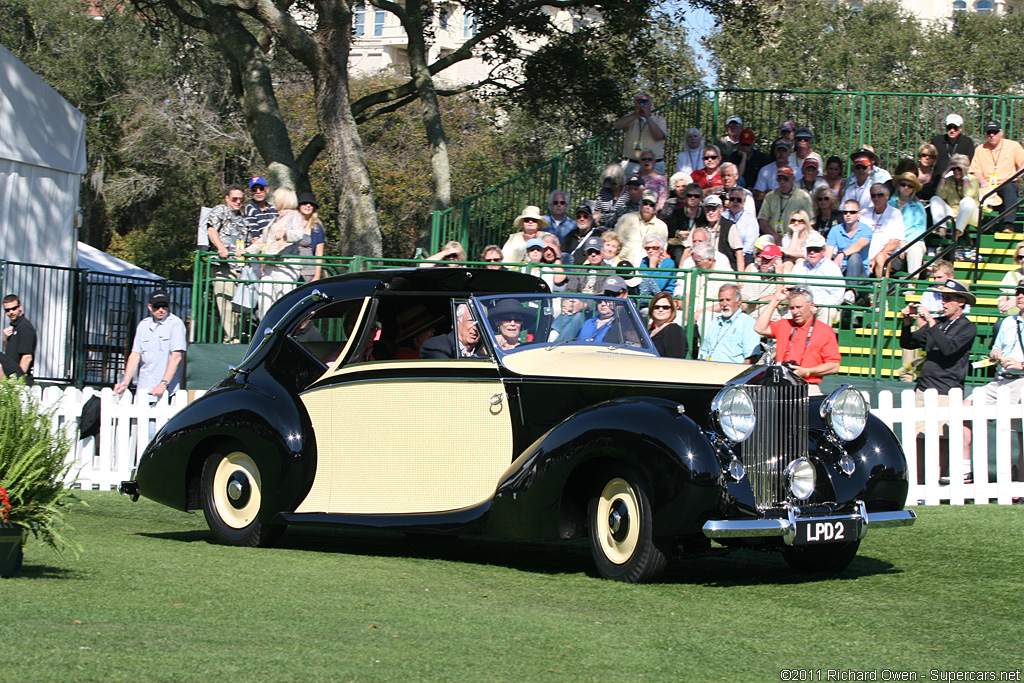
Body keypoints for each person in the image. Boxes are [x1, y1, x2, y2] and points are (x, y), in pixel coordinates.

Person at [899, 279, 977, 481]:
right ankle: (918, 482)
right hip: (924, 388)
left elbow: (949, 349)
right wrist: (907, 323)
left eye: (948, 298)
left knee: (940, 440)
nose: (943, 302)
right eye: (942, 298)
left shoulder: (967, 327)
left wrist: (932, 323)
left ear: (961, 302)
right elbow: (908, 343)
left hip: (946, 389)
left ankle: (936, 483)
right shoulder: (939, 323)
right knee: (918, 439)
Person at [963, 283, 1024, 483]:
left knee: (1021, 436)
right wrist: (995, 353)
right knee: (965, 409)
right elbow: (996, 348)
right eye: (1019, 293)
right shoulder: (1008, 321)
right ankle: (965, 469)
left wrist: (1020, 364)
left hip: (1020, 380)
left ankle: (1021, 484)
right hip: (999, 380)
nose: (1021, 296)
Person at [754, 286, 841, 393]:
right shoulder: (784, 324)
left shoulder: (825, 331)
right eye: (792, 308)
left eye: (799, 307)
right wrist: (776, 299)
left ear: (811, 306)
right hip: (779, 384)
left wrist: (807, 371)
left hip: (807, 385)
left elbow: (834, 366)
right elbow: (759, 328)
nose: (795, 312)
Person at [114, 290, 187, 402]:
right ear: (149, 307)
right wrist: (125, 382)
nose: (161, 310)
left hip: (167, 392)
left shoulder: (176, 324)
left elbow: (176, 356)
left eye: (164, 306)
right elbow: (135, 355)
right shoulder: (143, 325)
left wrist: (163, 384)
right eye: (157, 306)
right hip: (144, 388)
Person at [247, 187, 304, 317]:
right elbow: (263, 240)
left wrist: (285, 233)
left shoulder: (294, 216)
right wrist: (247, 251)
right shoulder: (275, 219)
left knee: (283, 303)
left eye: (275, 198)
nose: (273, 201)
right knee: (264, 304)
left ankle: (282, 334)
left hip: (285, 267)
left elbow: (299, 234)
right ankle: (266, 334)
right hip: (269, 267)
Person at [205, 184, 249, 343]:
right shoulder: (220, 211)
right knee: (226, 304)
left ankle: (237, 338)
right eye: (234, 198)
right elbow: (211, 230)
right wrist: (220, 247)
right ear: (227, 199)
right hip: (223, 266)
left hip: (240, 268)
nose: (238, 202)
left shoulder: (243, 218)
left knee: (239, 307)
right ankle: (231, 340)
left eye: (241, 199)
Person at [970, 119, 1024, 232]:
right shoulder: (980, 149)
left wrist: (1014, 176)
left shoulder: (1013, 146)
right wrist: (982, 182)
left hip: (1007, 183)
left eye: (995, 132)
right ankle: (980, 228)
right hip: (986, 187)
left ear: (1001, 132)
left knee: (1010, 188)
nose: (992, 135)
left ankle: (1008, 225)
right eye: (989, 132)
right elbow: (975, 170)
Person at [699, 284, 761, 363]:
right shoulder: (715, 322)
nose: (724, 304)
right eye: (721, 300)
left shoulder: (748, 323)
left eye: (728, 300)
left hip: (734, 372)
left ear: (739, 302)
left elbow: (750, 358)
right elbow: (706, 353)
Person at [790, 231, 844, 321]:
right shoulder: (798, 267)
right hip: (801, 305)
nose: (812, 252)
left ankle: (822, 335)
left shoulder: (832, 267)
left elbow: (839, 292)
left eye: (816, 249)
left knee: (827, 311)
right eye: (809, 249)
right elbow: (792, 289)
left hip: (824, 306)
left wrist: (823, 305)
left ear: (823, 251)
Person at [614, 92, 667, 175]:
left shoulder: (659, 119)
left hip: (653, 164)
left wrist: (647, 117)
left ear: (650, 105)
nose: (642, 103)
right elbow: (617, 125)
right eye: (639, 101)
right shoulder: (630, 118)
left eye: (645, 101)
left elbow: (658, 136)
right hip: (631, 164)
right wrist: (636, 114)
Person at [931, 153, 981, 240]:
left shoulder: (973, 179)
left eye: (959, 169)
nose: (956, 171)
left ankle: (956, 232)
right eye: (954, 169)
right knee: (935, 199)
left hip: (971, 215)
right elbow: (940, 195)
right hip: (954, 214)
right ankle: (942, 228)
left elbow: (968, 194)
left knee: (967, 200)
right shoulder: (949, 180)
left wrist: (965, 177)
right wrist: (943, 176)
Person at [616, 189, 668, 266]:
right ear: (640, 205)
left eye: (651, 205)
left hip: (647, 266)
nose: (648, 207)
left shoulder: (661, 226)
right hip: (623, 263)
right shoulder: (625, 219)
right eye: (645, 203)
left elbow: (662, 250)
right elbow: (615, 242)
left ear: (655, 208)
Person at [757, 166, 812, 239]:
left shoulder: (803, 197)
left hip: (795, 236)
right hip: (772, 236)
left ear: (793, 179)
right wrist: (775, 237)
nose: (782, 182)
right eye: (779, 179)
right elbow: (762, 220)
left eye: (785, 179)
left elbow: (808, 222)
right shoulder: (770, 196)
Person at [862, 183, 904, 278]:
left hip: (889, 257)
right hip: (866, 255)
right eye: (873, 195)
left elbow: (894, 243)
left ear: (887, 196)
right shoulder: (864, 213)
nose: (876, 198)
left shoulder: (895, 213)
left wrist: (874, 259)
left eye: (880, 195)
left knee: (881, 257)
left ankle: (882, 290)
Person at [890, 172, 927, 275]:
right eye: (903, 184)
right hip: (893, 240)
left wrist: (906, 243)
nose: (906, 188)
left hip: (912, 241)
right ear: (898, 186)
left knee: (916, 248)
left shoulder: (918, 207)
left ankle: (911, 285)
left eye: (910, 186)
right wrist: (898, 242)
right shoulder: (889, 204)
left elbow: (920, 230)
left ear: (913, 189)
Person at [420, 303, 487, 359]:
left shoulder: (487, 348)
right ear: (457, 322)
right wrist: (477, 356)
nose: (475, 328)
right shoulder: (435, 346)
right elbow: (451, 373)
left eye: (481, 323)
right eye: (471, 321)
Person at [826, 200, 872, 281]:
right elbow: (828, 254)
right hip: (840, 268)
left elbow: (858, 246)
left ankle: (851, 291)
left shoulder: (866, 230)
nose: (848, 215)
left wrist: (842, 254)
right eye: (845, 212)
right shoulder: (835, 230)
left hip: (860, 273)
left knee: (854, 257)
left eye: (852, 212)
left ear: (859, 214)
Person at [742, 242, 785, 321]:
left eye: (768, 259)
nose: (764, 262)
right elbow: (744, 306)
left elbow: (781, 306)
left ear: (778, 262)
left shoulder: (788, 279)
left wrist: (780, 277)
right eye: (763, 258)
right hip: (753, 321)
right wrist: (769, 298)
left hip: (775, 322)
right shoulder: (753, 277)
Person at [701, 195, 744, 270]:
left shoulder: (729, 226)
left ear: (721, 210)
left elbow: (739, 252)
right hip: (703, 266)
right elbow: (689, 248)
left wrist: (740, 277)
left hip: (724, 268)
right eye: (708, 209)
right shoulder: (700, 225)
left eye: (713, 209)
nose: (710, 212)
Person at [1, 294, 35, 384]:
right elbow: (8, 354)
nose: (11, 312)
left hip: (18, 380)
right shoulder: (13, 328)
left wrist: (18, 381)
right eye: (7, 310)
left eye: (14, 308)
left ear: (20, 307)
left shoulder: (24, 328)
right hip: (9, 378)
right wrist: (5, 339)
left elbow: (27, 357)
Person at [931, 113, 975, 178]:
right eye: (949, 127)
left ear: (961, 128)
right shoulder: (937, 141)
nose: (952, 130)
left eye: (955, 128)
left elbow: (969, 163)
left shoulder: (967, 142)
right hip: (939, 178)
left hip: (959, 178)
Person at [725, 187, 760, 265]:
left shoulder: (750, 219)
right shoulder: (722, 216)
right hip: (724, 255)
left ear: (744, 202)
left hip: (744, 256)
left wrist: (738, 254)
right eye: (732, 199)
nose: (735, 202)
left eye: (739, 200)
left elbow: (749, 245)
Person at [646, 292, 687, 358]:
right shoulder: (650, 331)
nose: (660, 309)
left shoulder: (674, 330)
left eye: (665, 307)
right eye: (656, 307)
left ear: (672, 310)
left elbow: (676, 358)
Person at [296, 192, 326, 281]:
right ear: (299, 206)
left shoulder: (317, 227)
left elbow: (319, 253)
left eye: (311, 204)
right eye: (305, 203)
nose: (308, 206)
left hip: (308, 271)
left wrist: (317, 276)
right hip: (292, 269)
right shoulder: (291, 223)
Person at [997, 240, 1024, 316]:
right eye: (1020, 257)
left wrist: (1016, 302)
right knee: (997, 326)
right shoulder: (1010, 275)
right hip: (1011, 315)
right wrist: (1002, 305)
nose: (1023, 260)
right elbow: (1003, 296)